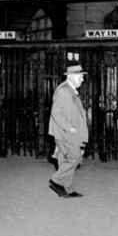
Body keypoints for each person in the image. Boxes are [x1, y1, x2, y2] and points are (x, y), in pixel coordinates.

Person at [48, 64, 89, 199]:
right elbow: (56, 112)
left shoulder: (70, 90)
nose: (82, 79)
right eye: (80, 77)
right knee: (75, 157)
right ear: (71, 77)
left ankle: (67, 189)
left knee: (65, 159)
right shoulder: (64, 90)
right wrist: (69, 127)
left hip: (68, 131)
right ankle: (57, 181)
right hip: (66, 132)